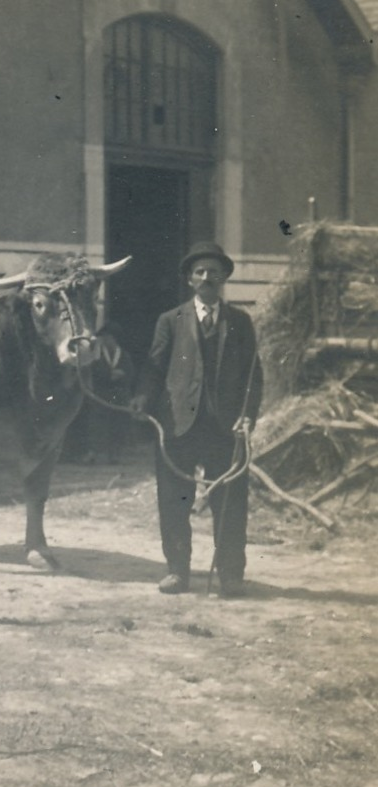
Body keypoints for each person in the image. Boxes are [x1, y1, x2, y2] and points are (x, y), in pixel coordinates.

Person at [131, 241, 263, 597]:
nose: (207, 277)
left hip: (226, 429)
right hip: (178, 426)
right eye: (200, 272)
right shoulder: (169, 321)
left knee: (231, 503)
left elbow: (254, 376)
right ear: (189, 279)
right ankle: (177, 571)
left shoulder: (240, 322)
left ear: (223, 279)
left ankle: (231, 576)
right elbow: (154, 368)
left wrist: (248, 417)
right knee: (175, 502)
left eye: (214, 272)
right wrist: (143, 398)